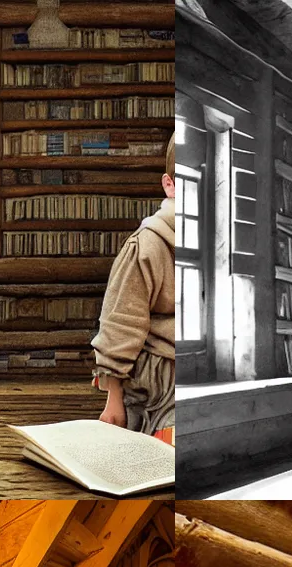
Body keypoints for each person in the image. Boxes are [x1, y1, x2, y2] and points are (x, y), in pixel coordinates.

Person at [89, 140, 177, 437]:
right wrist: (114, 401)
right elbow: (119, 326)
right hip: (159, 378)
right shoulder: (146, 247)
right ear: (170, 185)